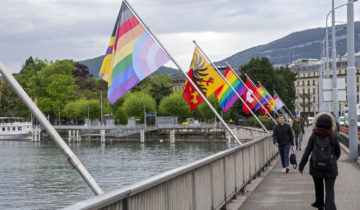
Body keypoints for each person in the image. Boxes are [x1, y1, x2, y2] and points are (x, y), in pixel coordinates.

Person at [299, 112, 341, 210]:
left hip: (316, 167)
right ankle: (330, 207)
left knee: (319, 189)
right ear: (331, 124)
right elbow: (338, 152)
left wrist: (301, 166)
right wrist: (333, 160)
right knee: (330, 191)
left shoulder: (314, 135)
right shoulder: (333, 136)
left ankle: (320, 206)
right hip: (330, 168)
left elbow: (307, 151)